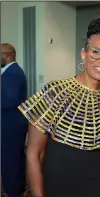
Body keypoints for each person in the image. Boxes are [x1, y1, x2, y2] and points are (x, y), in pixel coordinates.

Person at [17, 16, 100, 197]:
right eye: (96, 52)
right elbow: (33, 154)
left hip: (97, 180)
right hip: (60, 181)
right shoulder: (55, 92)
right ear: (84, 53)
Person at [1, 43, 28, 197]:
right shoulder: (11, 72)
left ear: (6, 55)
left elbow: (10, 100)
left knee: (9, 159)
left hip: (10, 124)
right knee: (16, 157)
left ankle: (11, 191)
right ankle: (18, 188)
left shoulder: (12, 73)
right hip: (13, 123)